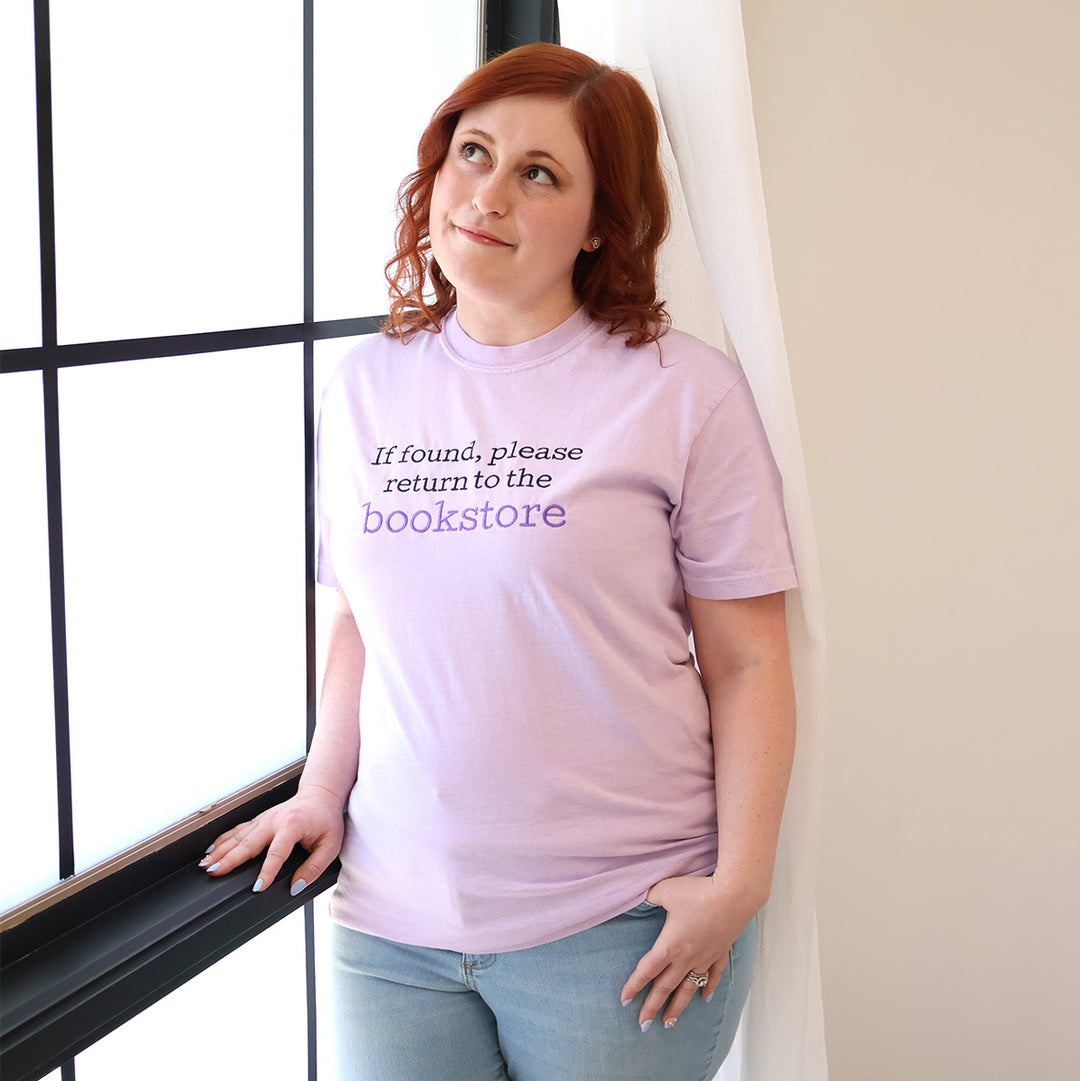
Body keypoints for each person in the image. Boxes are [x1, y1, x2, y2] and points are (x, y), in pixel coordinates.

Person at [203, 42, 798, 1081]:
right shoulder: (363, 387)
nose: (488, 195)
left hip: (619, 927)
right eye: (472, 153)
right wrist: (320, 789)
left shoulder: (683, 391)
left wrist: (741, 881)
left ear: (601, 220)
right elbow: (358, 623)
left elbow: (748, 662)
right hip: (390, 929)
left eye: (540, 173)